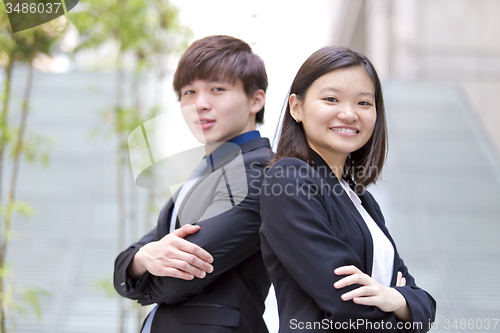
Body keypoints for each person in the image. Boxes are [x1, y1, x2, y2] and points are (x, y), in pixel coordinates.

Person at [259, 46, 436, 332]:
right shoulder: (289, 179)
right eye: (331, 99)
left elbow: (426, 305)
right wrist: (404, 307)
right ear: (297, 107)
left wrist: (397, 298)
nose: (349, 114)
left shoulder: (363, 201)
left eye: (364, 103)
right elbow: (345, 301)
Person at [114, 35, 273, 333]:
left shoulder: (261, 171)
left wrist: (144, 274)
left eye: (217, 89)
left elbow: (180, 276)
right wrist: (143, 257)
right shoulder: (202, 173)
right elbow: (126, 262)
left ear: (256, 99)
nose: (200, 104)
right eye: (189, 92)